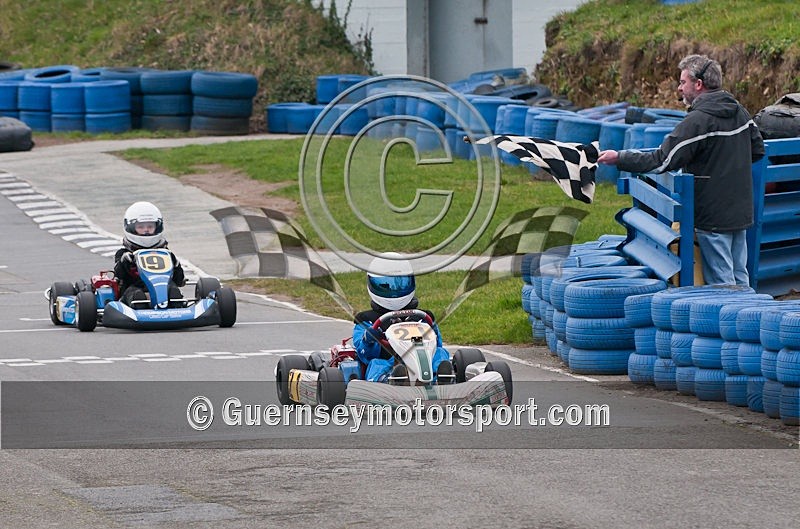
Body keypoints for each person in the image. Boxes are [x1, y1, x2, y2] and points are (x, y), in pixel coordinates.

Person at [597, 54, 765, 286]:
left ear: (698, 84)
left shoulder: (697, 121)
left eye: (682, 82)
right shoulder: (740, 111)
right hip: (740, 210)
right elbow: (757, 150)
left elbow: (661, 161)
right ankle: (749, 318)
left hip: (712, 214)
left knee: (723, 282)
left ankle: (730, 320)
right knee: (739, 276)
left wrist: (620, 158)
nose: (679, 88)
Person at [351, 253, 453, 384]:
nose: (394, 290)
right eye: (387, 285)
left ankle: (441, 376)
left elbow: (437, 344)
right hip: (390, 362)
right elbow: (364, 355)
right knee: (376, 363)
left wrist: (432, 333)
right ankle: (389, 380)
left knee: (440, 352)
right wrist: (368, 340)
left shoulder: (422, 317)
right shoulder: (366, 321)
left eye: (401, 284)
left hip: (422, 360)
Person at [113, 201, 186, 307]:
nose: (146, 230)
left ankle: (175, 308)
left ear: (157, 227)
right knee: (138, 297)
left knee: (174, 293)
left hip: (164, 287)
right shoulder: (124, 253)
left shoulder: (165, 252)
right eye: (141, 227)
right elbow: (118, 277)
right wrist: (124, 262)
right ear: (131, 228)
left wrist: (176, 265)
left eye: (150, 226)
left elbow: (179, 281)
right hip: (134, 288)